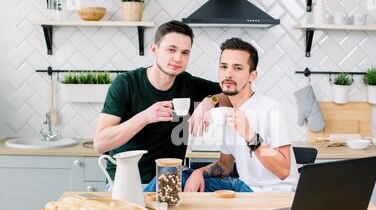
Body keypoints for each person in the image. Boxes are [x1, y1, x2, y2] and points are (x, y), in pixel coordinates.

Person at [145, 37, 299, 192]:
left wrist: (249, 135)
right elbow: (225, 165)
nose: (228, 74)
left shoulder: (270, 108)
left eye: (237, 68)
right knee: (172, 174)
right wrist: (200, 172)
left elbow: (283, 171)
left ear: (252, 75)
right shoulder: (228, 112)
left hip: (275, 193)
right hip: (243, 187)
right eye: (224, 67)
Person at [94, 20, 230, 186]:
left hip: (169, 182)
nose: (178, 58)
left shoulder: (188, 83)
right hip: (129, 182)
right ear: (154, 49)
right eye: (171, 50)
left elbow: (234, 95)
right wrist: (145, 117)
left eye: (185, 52)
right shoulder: (126, 84)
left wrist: (210, 101)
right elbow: (100, 144)